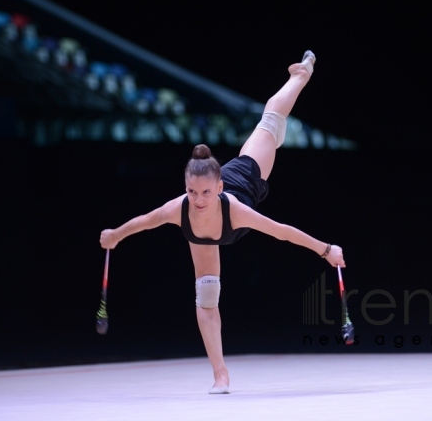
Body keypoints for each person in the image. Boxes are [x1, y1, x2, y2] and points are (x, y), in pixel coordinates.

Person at [100, 50, 346, 394]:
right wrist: (114, 235)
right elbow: (143, 221)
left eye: (205, 192)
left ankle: (300, 75)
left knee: (271, 121)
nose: (198, 200)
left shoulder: (235, 206)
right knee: (206, 298)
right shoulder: (180, 208)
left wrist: (326, 250)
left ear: (218, 188)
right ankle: (221, 375)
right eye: (191, 192)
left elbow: (283, 233)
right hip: (203, 240)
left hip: (247, 177)